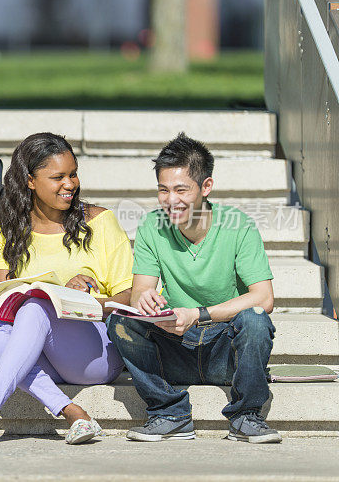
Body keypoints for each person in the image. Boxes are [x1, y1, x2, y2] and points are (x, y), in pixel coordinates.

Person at [0, 133, 133, 447]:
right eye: (57, 177)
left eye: (73, 173)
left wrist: (82, 299)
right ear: (29, 181)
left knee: (36, 305)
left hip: (93, 353)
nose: (70, 183)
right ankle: (71, 411)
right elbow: (3, 298)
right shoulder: (4, 233)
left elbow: (128, 297)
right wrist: (49, 293)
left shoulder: (99, 222)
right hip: (36, 353)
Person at [106, 133, 280, 444]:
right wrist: (147, 301)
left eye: (181, 189)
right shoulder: (151, 226)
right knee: (121, 321)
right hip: (176, 345)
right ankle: (168, 412)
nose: (170, 200)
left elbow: (264, 298)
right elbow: (139, 294)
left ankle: (246, 416)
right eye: (163, 189)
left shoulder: (238, 226)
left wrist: (197, 314)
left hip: (226, 350)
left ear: (206, 187)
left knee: (255, 317)